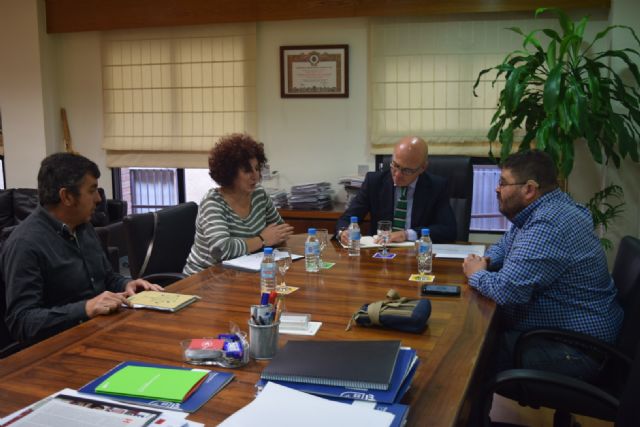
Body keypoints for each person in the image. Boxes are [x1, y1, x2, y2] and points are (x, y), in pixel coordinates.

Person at [462, 150, 623, 384]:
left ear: (529, 189)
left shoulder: (549, 224)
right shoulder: (546, 208)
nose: (497, 189)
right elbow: (505, 245)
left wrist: (476, 274)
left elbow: (507, 290)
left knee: (473, 354)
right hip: (567, 336)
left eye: (503, 183)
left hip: (577, 350)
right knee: (481, 338)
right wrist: (487, 261)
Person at [1, 152, 163, 345]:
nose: (98, 199)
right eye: (92, 190)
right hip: (59, 349)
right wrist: (85, 308)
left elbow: (107, 277)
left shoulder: (83, 227)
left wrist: (126, 285)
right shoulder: (24, 244)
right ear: (67, 196)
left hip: (101, 332)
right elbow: (22, 322)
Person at [183, 134, 294, 274]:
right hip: (204, 277)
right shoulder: (213, 203)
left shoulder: (259, 195)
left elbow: (279, 232)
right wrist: (262, 239)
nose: (255, 176)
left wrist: (273, 238)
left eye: (257, 168)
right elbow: (222, 250)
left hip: (241, 272)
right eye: (247, 170)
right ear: (230, 172)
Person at [336, 136, 456, 245]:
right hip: (380, 252)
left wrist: (407, 234)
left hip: (416, 254)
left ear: (422, 168)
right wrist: (343, 232)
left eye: (407, 171)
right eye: (395, 165)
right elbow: (347, 219)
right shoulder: (374, 182)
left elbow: (448, 230)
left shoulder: (436, 186)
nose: (397, 175)